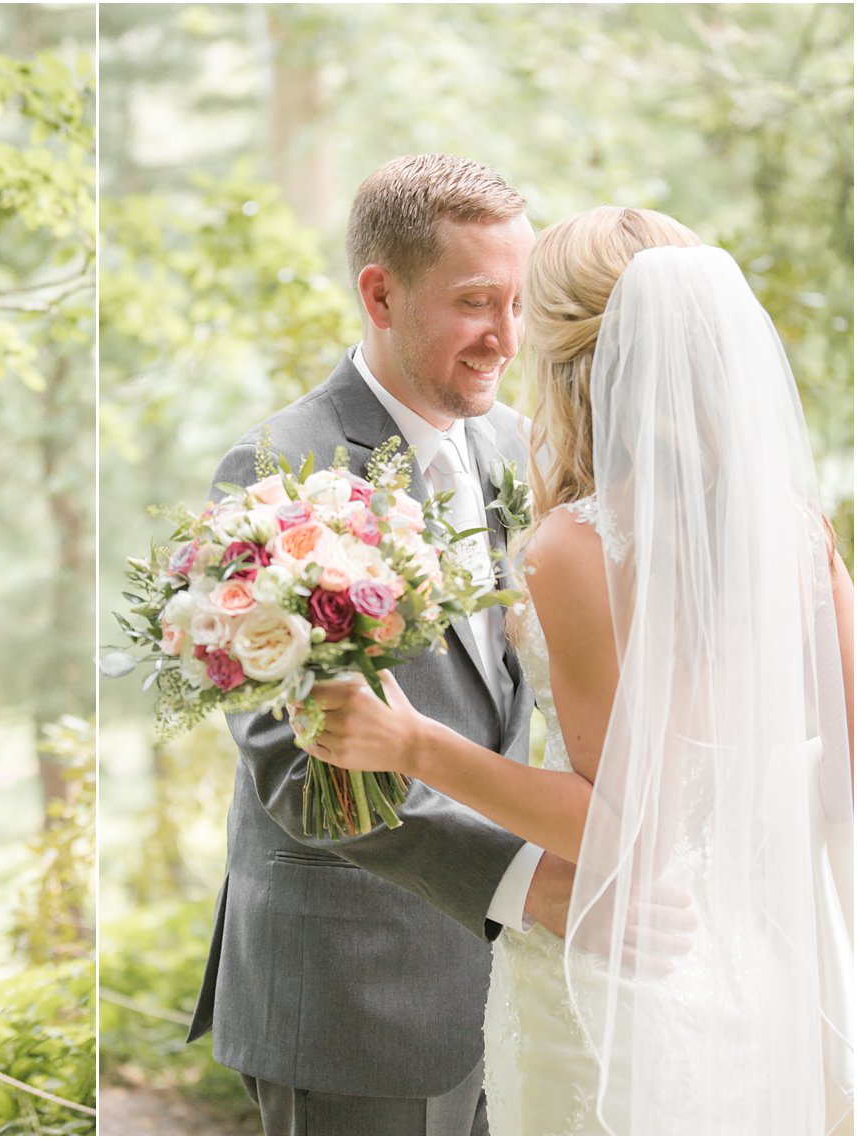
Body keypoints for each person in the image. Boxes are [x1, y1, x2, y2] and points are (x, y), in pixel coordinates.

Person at [308, 208, 855, 1134]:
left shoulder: (579, 545)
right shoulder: (796, 530)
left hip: (618, 975)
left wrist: (414, 742)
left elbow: (622, 828)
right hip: (754, 963)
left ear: (575, 356)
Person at [187, 153, 577, 1136]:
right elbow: (290, 757)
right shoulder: (279, 467)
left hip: (504, 989)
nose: (505, 337)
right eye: (475, 302)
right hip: (351, 990)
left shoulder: (514, 453)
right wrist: (520, 877)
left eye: (518, 303)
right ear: (378, 293)